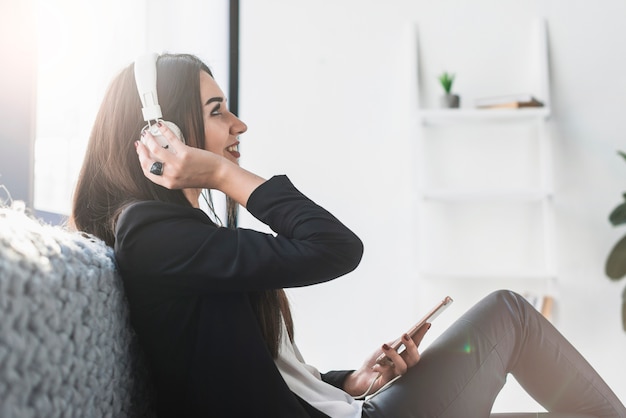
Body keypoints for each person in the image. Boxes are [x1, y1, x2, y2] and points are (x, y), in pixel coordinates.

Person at [70, 53, 626, 418]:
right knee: (511, 316)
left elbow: (262, 373)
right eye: (218, 112)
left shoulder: (183, 236)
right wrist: (219, 173)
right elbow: (334, 247)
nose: (239, 125)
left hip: (345, 411)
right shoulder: (153, 236)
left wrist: (351, 380)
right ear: (160, 134)